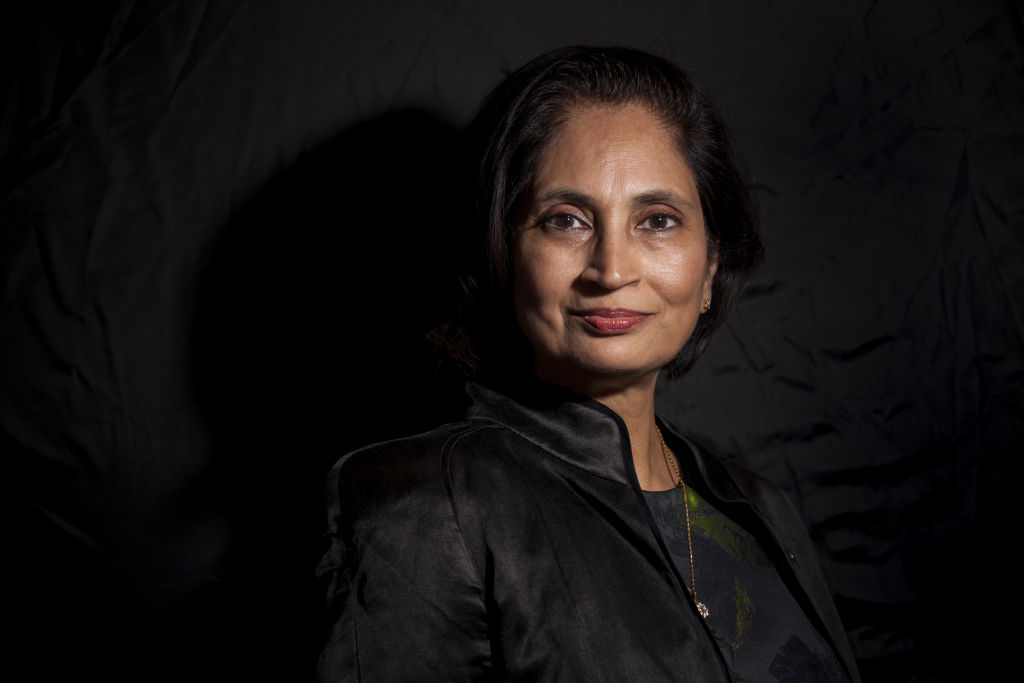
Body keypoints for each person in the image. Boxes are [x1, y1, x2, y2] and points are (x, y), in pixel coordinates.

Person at [317, 46, 860, 682]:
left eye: (658, 220)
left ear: (710, 268)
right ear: (503, 254)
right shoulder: (423, 503)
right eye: (567, 221)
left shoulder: (762, 508)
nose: (611, 270)